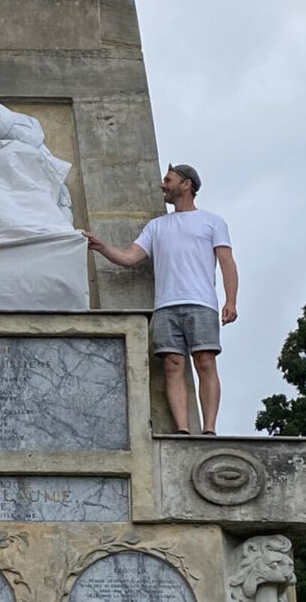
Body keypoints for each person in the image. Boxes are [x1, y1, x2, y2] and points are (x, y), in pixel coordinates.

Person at [83, 164, 238, 435]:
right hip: (166, 305)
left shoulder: (212, 221)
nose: (163, 185)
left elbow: (226, 262)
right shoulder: (156, 226)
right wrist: (101, 246)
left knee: (205, 361)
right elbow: (130, 257)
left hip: (201, 302)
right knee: (172, 365)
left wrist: (230, 301)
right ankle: (182, 430)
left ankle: (209, 428)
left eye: (168, 180)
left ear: (186, 184)